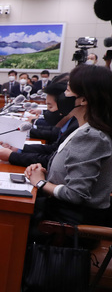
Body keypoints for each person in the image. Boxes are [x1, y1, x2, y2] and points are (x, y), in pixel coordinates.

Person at [25, 64, 112, 228]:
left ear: (84, 99)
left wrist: (41, 183)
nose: (63, 96)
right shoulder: (84, 129)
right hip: (61, 216)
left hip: (66, 227)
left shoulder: (92, 136)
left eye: (68, 91)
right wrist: (44, 173)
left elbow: (75, 194)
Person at [0, 74, 77, 168]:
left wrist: (12, 156)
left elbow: (51, 160)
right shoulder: (70, 124)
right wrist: (18, 149)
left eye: (50, 107)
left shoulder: (75, 129)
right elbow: (52, 149)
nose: (47, 111)